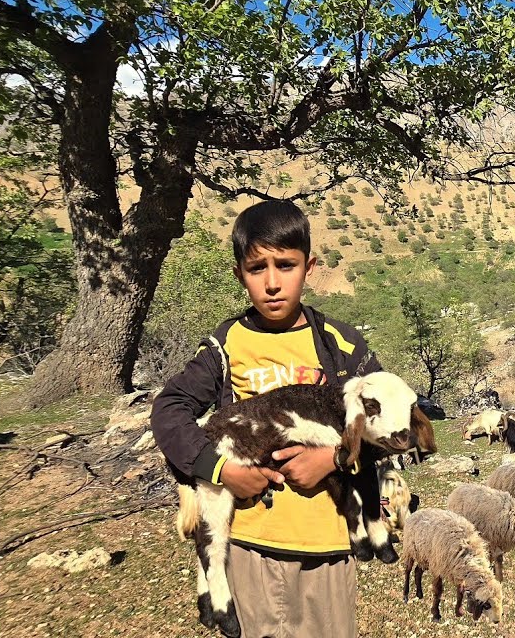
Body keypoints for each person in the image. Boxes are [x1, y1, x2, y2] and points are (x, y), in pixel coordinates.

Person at [150, 200, 381, 638]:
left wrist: (333, 460)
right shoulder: (227, 343)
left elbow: (386, 423)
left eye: (286, 265)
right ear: (240, 274)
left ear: (309, 267)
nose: (273, 283)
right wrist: (221, 469)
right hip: (251, 543)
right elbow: (170, 409)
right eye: (257, 268)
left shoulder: (342, 347)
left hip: (327, 543)